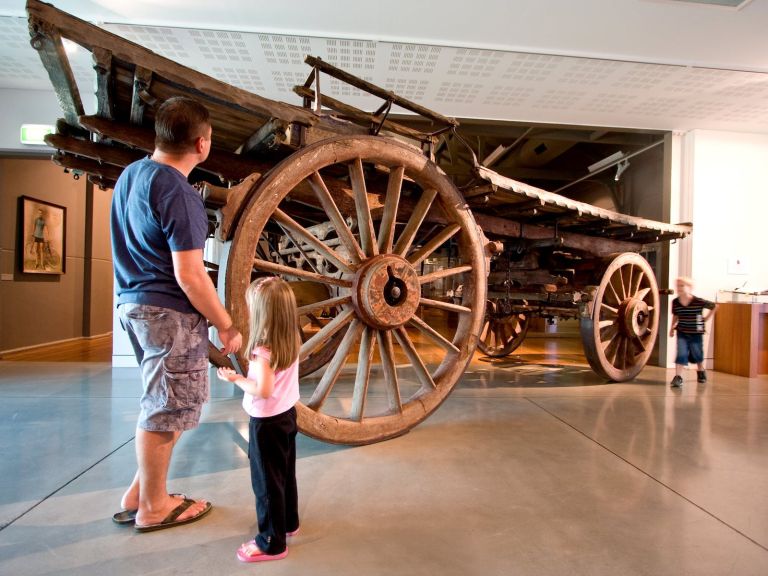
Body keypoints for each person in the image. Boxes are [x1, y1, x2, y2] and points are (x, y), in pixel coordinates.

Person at [111, 96, 242, 532]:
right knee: (166, 409)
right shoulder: (179, 193)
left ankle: (140, 493)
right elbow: (189, 276)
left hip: (133, 302)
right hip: (168, 311)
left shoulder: (133, 175)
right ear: (202, 144)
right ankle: (153, 506)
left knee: (168, 403)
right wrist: (226, 324)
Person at [217, 276, 301, 562]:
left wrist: (236, 378)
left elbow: (262, 390)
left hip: (266, 423)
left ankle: (271, 542)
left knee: (266, 483)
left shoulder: (261, 352)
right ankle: (289, 522)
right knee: (285, 475)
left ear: (262, 313)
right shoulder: (290, 339)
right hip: (287, 416)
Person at [669, 276, 717, 388]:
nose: (679, 288)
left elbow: (714, 306)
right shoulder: (675, 302)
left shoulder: (698, 301)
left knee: (697, 354)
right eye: (677, 286)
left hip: (696, 332)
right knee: (681, 353)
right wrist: (671, 328)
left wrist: (705, 319)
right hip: (682, 331)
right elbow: (675, 315)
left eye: (682, 285)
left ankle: (700, 370)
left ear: (689, 287)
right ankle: (678, 377)